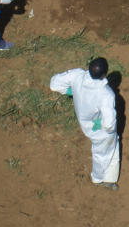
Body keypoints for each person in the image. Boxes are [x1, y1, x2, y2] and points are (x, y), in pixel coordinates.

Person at [50, 58, 120, 190]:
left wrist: (70, 91)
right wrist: (107, 130)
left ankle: (105, 176)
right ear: (104, 74)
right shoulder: (106, 94)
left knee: (105, 147)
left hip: (84, 122)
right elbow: (110, 124)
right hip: (98, 128)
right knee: (106, 150)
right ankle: (100, 179)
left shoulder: (77, 75)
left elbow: (54, 83)